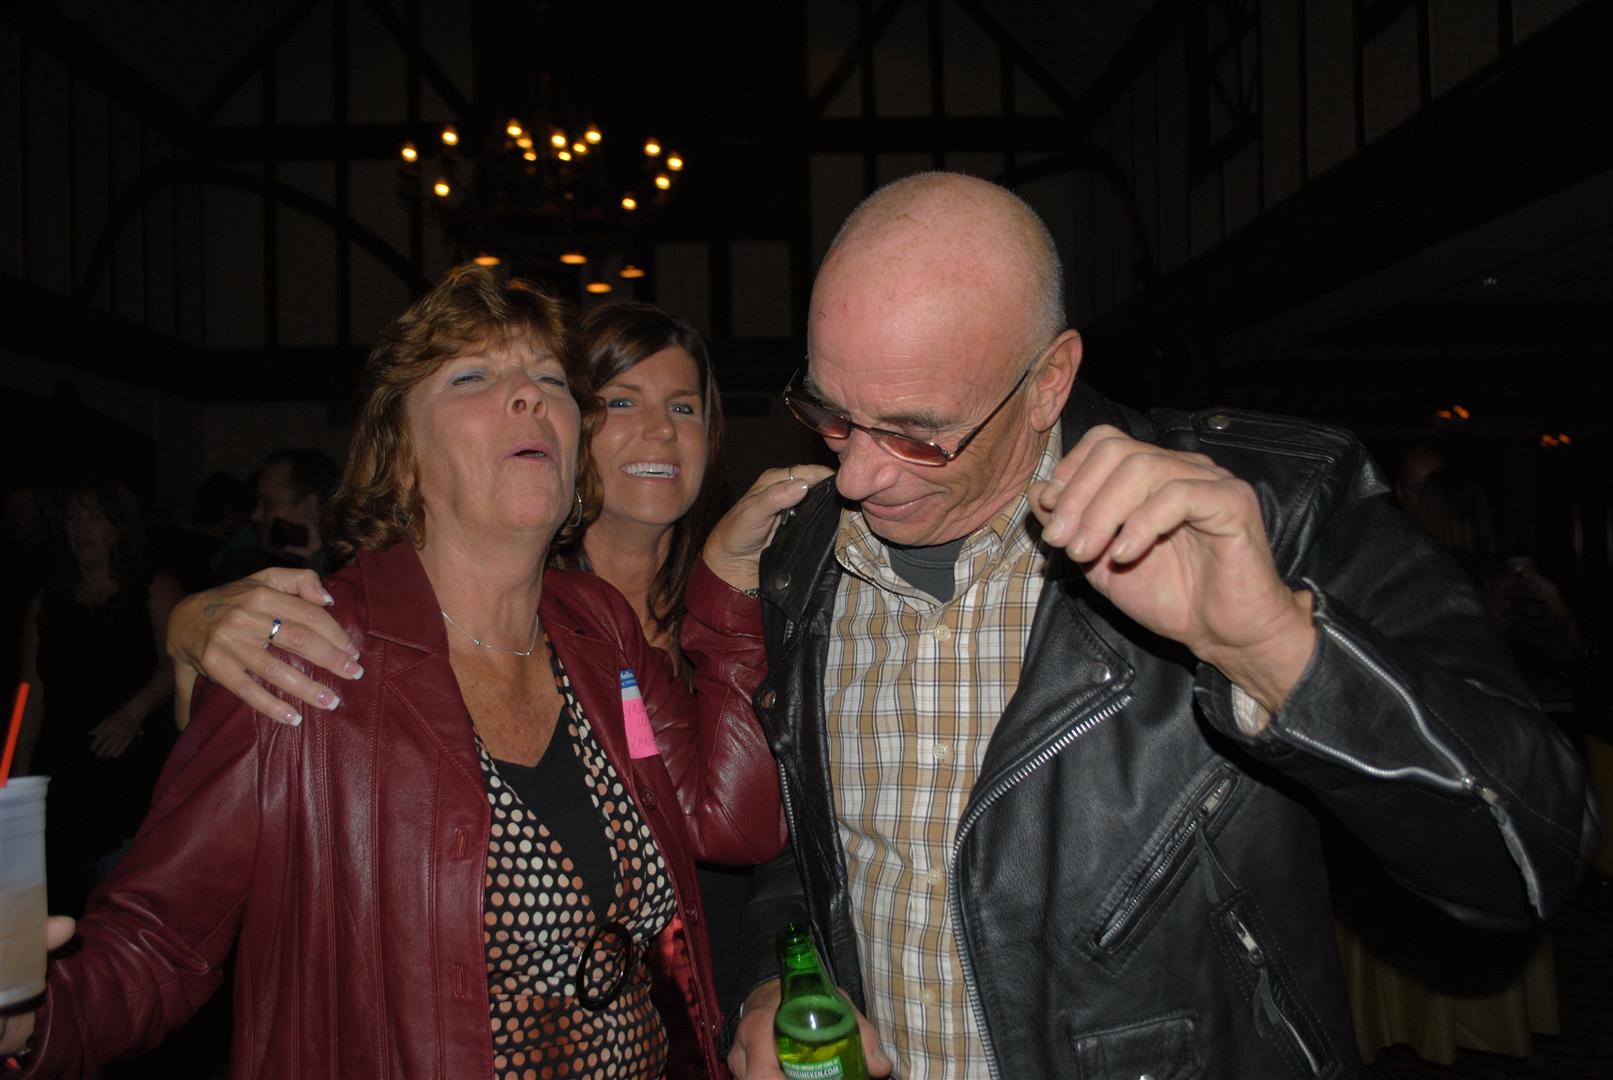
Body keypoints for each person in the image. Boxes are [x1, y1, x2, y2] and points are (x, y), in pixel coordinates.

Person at [721, 173, 1596, 1079]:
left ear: (1047, 382)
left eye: (916, 434)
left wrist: (1268, 648)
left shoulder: (1272, 508)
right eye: (829, 415)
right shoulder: (805, 553)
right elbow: (812, 850)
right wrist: (774, 982)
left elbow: (1528, 859)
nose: (857, 477)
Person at [0, 264, 807, 1078]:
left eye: (548, 379)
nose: (526, 397)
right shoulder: (307, 651)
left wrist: (728, 595)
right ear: (402, 457)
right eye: (473, 376)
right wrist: (34, 1017)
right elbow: (159, 940)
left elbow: (730, 823)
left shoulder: (599, 629)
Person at [13, 476, 182, 917]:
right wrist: (17, 773)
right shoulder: (47, 599)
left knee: (119, 901)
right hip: (65, 766)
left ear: (118, 525)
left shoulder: (153, 587)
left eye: (93, 516)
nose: (80, 528)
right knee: (61, 903)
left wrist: (132, 714)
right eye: (72, 517)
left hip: (129, 763)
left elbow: (178, 661)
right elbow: (31, 687)